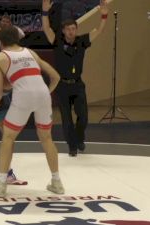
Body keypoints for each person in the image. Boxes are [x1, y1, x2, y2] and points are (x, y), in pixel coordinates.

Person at [0, 26, 63, 197]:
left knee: (8, 137)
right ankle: (57, 182)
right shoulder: (30, 52)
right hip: (43, 94)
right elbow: (56, 77)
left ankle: (1, 186)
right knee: (47, 138)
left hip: (23, 95)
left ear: (0, 42)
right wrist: (45, 94)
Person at [42, 0, 108, 156]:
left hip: (77, 85)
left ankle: (79, 138)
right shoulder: (57, 41)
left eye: (74, 28)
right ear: (64, 31)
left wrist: (104, 15)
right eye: (68, 29)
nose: (71, 31)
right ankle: (72, 146)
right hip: (62, 86)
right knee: (66, 119)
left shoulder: (82, 41)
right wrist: (45, 12)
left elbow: (99, 30)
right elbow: (46, 28)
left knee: (83, 117)